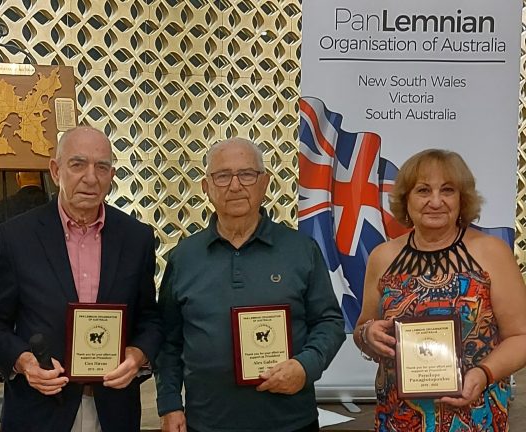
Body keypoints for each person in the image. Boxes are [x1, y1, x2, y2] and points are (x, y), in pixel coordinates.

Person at [0, 125, 162, 431]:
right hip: (40, 408)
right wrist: (23, 361)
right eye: (78, 165)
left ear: (112, 175)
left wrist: (137, 355)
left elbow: (150, 319)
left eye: (101, 167)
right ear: (55, 170)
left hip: (114, 410)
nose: (91, 178)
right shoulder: (16, 237)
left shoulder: (137, 238)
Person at [155, 137, 345, 432]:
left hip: (290, 422)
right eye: (222, 176)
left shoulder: (301, 250)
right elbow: (168, 342)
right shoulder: (183, 258)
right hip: (207, 423)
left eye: (246, 174)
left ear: (265, 182)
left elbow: (329, 322)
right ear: (206, 187)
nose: (235, 186)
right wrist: (169, 404)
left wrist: (306, 366)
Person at [354, 149, 526, 431]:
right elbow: (364, 329)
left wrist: (483, 374)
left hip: (476, 414)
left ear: (462, 199)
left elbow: (521, 336)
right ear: (406, 199)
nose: (435, 201)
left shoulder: (491, 252)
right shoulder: (382, 256)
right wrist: (366, 334)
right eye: (423, 190)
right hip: (398, 418)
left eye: (447, 190)